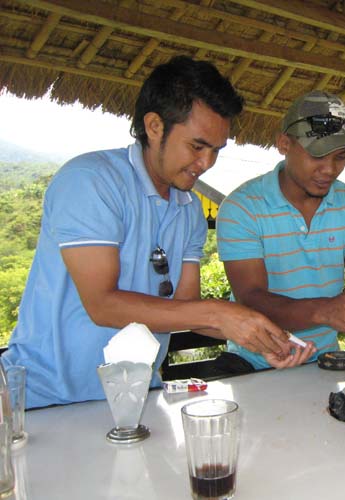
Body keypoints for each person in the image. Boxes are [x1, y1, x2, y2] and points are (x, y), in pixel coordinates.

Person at [1, 56, 290, 409]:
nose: (206, 163)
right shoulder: (91, 181)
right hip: (43, 401)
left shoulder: (189, 210)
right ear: (154, 126)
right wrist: (221, 314)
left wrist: (260, 338)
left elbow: (186, 309)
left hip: (135, 401)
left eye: (216, 150)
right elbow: (102, 304)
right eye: (197, 146)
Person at [217, 90, 345, 371]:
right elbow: (251, 298)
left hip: (325, 363)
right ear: (284, 144)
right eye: (317, 155)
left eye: (340, 156)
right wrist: (325, 311)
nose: (330, 169)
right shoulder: (242, 207)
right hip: (254, 362)